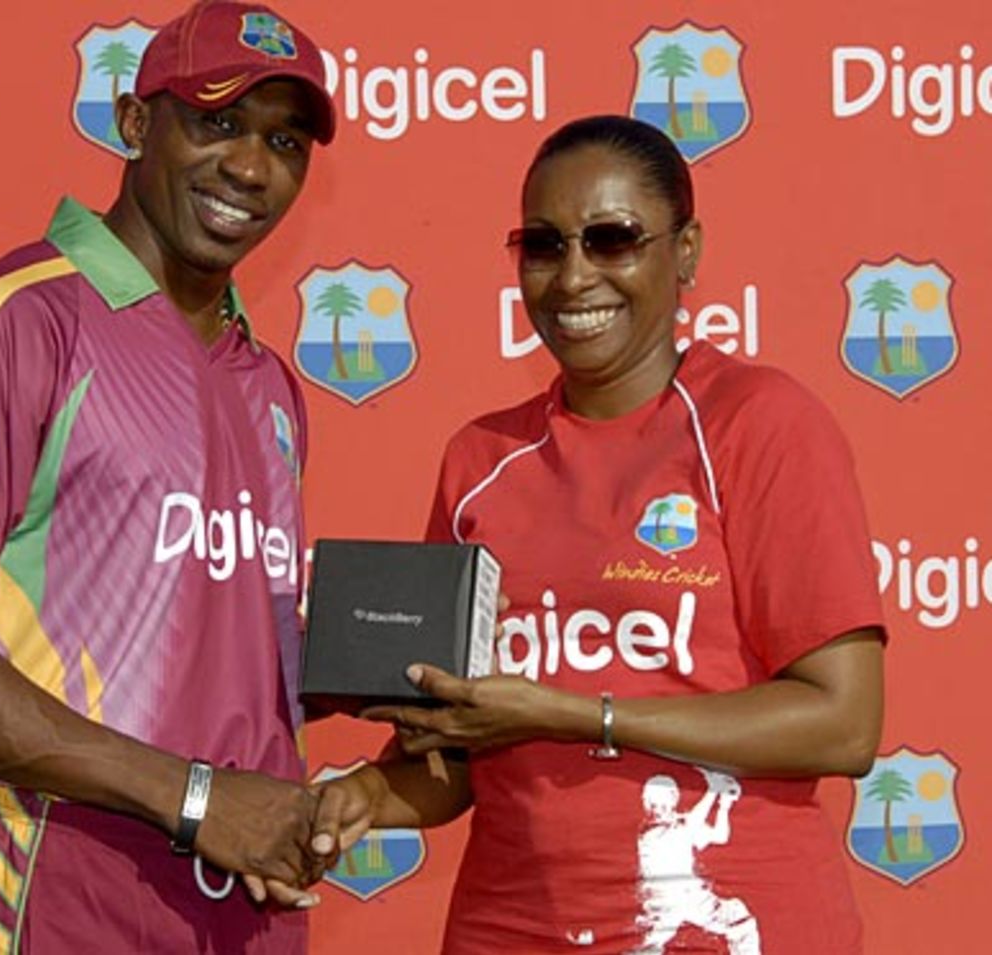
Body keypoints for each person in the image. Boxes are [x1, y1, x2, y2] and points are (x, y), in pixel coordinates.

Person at [311, 115, 886, 954]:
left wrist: (579, 715)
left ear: (685, 252)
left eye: (611, 239)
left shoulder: (760, 423)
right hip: (510, 931)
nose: (574, 275)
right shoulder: (481, 459)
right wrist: (365, 791)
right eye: (543, 245)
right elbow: (452, 751)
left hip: (730, 927)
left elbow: (844, 722)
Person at [0, 2, 337, 952]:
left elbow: (218, 652)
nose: (251, 168)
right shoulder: (15, 321)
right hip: (60, 887)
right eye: (219, 122)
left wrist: (387, 672)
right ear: (134, 121)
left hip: (250, 901)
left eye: (284, 141)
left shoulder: (268, 381)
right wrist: (195, 798)